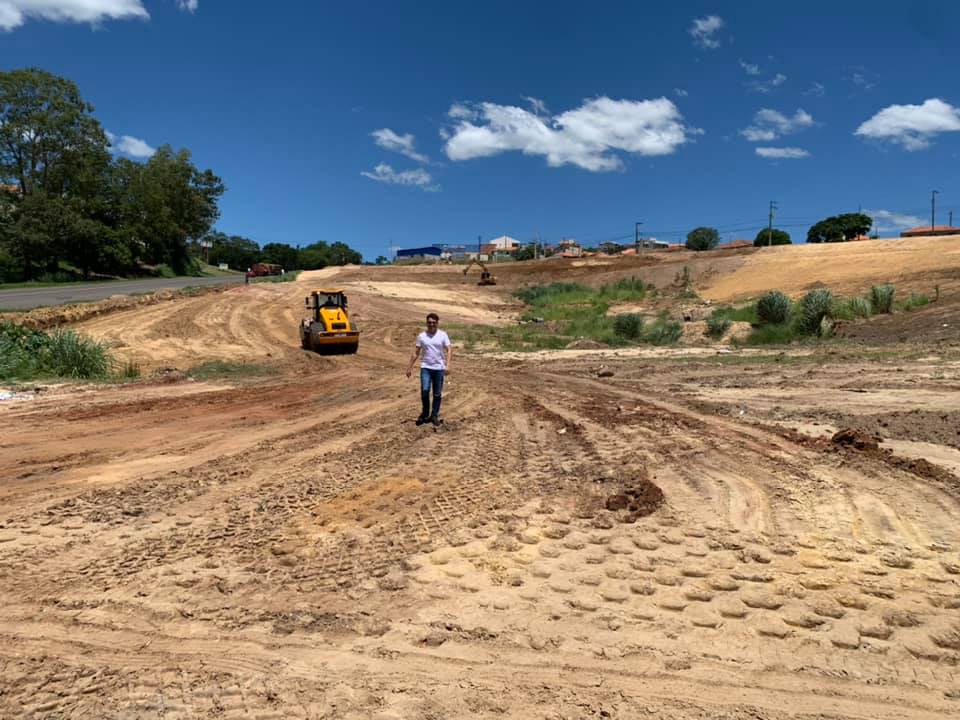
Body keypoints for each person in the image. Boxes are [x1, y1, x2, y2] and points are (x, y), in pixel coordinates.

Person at [405, 312, 452, 426]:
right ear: (426, 323)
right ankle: (425, 413)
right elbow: (416, 352)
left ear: (437, 323)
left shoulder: (443, 335)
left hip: (439, 368)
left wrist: (448, 365)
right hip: (426, 367)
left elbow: (449, 349)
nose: (431, 324)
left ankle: (434, 415)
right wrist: (409, 367)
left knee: (437, 394)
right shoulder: (422, 336)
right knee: (425, 391)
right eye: (429, 322)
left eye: (433, 322)